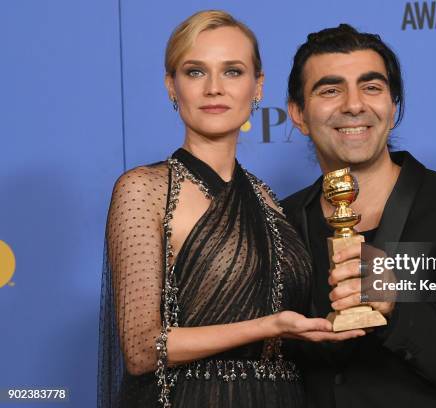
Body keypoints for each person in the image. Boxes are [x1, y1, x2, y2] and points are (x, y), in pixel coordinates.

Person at [97, 11, 364, 408]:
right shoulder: (143, 189)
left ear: (257, 86)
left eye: (233, 72)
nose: (214, 89)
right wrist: (270, 326)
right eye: (195, 72)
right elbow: (140, 350)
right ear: (172, 86)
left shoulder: (268, 198)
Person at [282, 24, 436, 407]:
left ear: (393, 107)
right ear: (298, 114)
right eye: (330, 89)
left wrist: (396, 305)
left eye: (371, 87)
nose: (354, 104)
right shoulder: (280, 221)